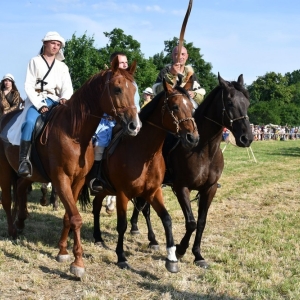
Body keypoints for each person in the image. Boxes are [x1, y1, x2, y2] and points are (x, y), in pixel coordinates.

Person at [7, 31, 73, 177]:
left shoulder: (62, 67)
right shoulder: (35, 61)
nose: (56, 47)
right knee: (30, 122)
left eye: (58, 44)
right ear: (45, 44)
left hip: (55, 100)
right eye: (53, 43)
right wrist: (38, 104)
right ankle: (24, 161)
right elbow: (28, 85)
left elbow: (67, 87)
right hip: (36, 99)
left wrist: (65, 98)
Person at [89, 51, 140, 192]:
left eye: (125, 62)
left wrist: (137, 116)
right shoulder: (106, 79)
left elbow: (136, 103)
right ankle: (96, 177)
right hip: (108, 119)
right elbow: (102, 102)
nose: (124, 65)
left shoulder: (131, 81)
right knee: (101, 143)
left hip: (129, 118)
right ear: (114, 65)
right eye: (121, 62)